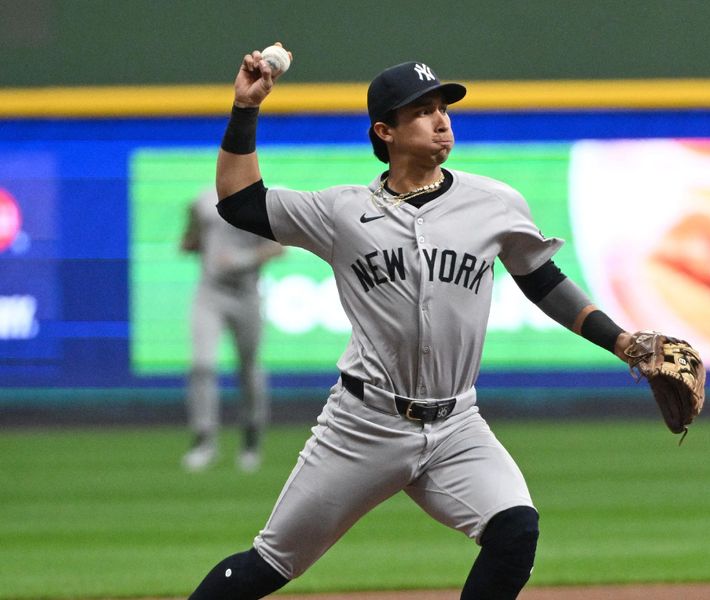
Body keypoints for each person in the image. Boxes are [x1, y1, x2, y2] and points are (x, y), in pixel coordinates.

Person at [187, 43, 639, 599]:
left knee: (515, 529)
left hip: (456, 426)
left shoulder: (494, 203)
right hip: (364, 424)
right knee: (270, 563)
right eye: (422, 111)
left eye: (444, 108)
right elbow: (238, 201)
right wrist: (245, 108)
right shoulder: (341, 211)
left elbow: (543, 282)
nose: (440, 120)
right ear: (385, 132)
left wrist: (625, 343)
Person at [180, 186, 283, 472]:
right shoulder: (203, 198)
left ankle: (251, 437)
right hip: (210, 292)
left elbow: (278, 249)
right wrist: (191, 232)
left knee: (248, 367)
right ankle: (204, 440)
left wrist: (241, 260)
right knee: (202, 365)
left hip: (247, 295)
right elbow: (191, 242)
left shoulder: (262, 202)